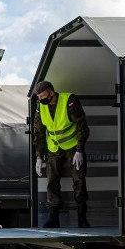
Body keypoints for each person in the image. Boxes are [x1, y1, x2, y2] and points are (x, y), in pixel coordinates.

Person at [33, 80, 91, 228]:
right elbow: (38, 132)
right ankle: (53, 218)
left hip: (72, 146)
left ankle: (82, 217)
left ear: (52, 92)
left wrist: (79, 149)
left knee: (79, 180)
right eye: (39, 97)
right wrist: (39, 157)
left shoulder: (69, 100)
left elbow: (82, 125)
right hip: (54, 147)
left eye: (43, 96)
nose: (41, 100)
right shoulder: (41, 106)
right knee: (52, 182)